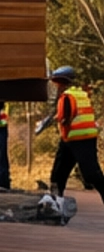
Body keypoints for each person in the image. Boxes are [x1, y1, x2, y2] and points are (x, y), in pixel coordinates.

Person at [37, 68, 104, 207]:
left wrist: (49, 122)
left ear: (60, 83)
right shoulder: (80, 93)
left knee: (89, 174)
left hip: (78, 139)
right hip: (77, 139)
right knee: (60, 172)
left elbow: (65, 119)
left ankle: (56, 200)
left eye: (55, 83)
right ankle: (55, 201)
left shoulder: (66, 97)